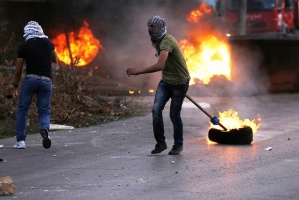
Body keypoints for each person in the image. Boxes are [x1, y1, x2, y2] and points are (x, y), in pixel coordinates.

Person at [126, 15, 190, 155]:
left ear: (161, 28)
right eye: (149, 26)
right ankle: (161, 143)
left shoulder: (167, 41)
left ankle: (178, 145)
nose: (150, 29)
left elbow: (160, 65)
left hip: (180, 83)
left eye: (153, 27)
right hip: (166, 81)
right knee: (156, 110)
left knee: (174, 114)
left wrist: (138, 71)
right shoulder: (157, 40)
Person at [7, 21, 58, 149]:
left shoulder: (24, 46)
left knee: (23, 110)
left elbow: (18, 71)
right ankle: (45, 129)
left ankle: (21, 141)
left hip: (31, 80)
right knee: (44, 110)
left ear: (27, 32)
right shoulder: (48, 43)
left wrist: (14, 84)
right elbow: (55, 60)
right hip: (46, 80)